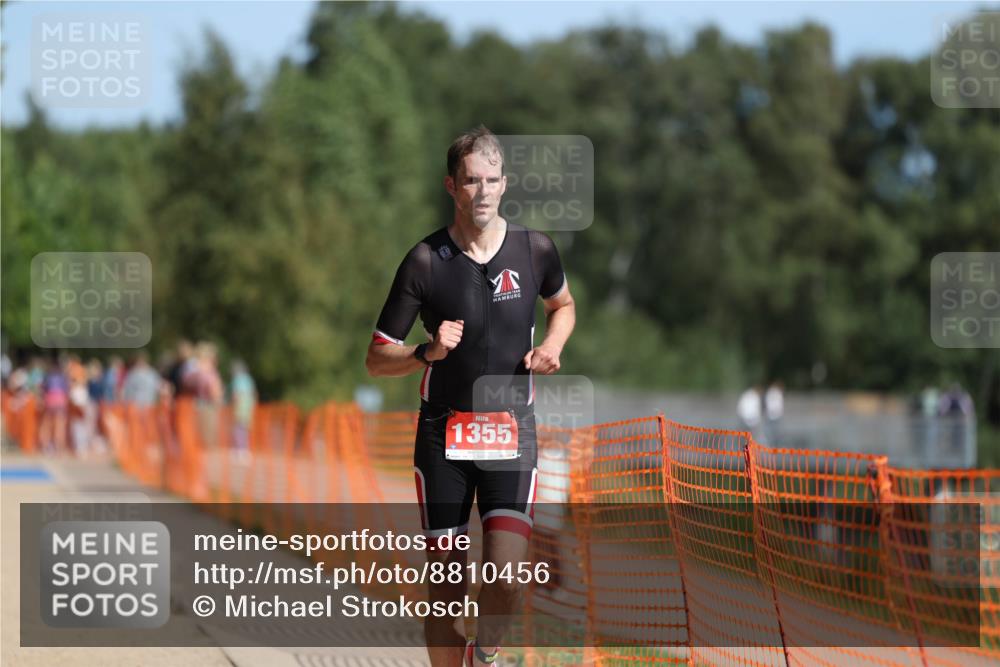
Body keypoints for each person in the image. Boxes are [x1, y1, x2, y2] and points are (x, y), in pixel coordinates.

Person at [366, 126, 576, 667]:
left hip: (512, 432)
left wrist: (552, 345)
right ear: (451, 186)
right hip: (443, 437)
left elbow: (563, 306)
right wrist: (426, 352)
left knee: (507, 577)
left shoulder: (536, 250)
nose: (482, 191)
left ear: (504, 184)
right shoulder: (425, 261)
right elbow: (375, 357)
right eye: (470, 181)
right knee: (445, 591)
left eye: (491, 180)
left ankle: (484, 656)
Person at [229, 359, 256, 464]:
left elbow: (236, 394)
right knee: (243, 428)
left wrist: (235, 403)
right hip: (248, 405)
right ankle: (242, 449)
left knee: (239, 427)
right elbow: (253, 393)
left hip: (241, 405)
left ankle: (239, 449)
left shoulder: (238, 379)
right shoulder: (248, 379)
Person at [764, 381, 784, 446]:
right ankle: (772, 445)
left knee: (774, 433)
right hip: (773, 416)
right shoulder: (775, 393)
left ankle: (773, 445)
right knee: (772, 433)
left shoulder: (773, 393)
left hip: (774, 416)